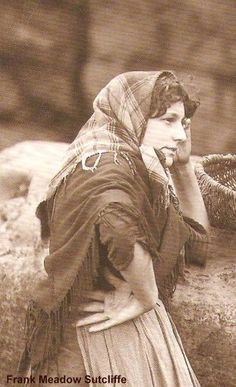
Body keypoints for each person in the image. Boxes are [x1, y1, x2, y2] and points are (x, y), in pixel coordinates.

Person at [18, 71, 209, 386]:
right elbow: (115, 220)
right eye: (167, 120)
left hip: (126, 328)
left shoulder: (136, 164)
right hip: (89, 334)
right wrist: (145, 295)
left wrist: (184, 166)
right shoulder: (106, 168)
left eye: (182, 123)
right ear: (131, 116)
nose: (179, 135)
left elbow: (196, 242)